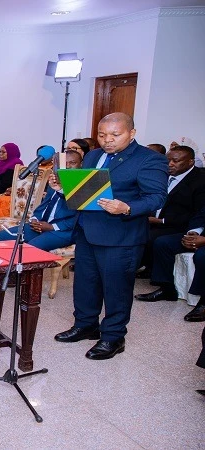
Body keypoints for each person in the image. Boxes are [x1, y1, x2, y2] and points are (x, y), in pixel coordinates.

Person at [54, 113, 167, 360]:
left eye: (115, 135)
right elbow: (85, 191)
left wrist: (126, 207)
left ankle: (113, 337)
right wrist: (64, 190)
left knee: (116, 289)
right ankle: (86, 324)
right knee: (85, 283)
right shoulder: (93, 156)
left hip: (121, 235)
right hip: (87, 229)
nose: (108, 140)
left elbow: (157, 197)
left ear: (132, 133)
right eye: (102, 135)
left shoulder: (149, 159)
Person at [136, 145, 205, 277]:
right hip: (153, 219)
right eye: (168, 160)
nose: (170, 164)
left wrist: (161, 220)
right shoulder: (161, 174)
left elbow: (196, 213)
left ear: (191, 162)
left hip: (178, 225)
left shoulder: (200, 181)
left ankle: (155, 276)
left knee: (150, 237)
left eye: (176, 161)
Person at [0, 150, 82, 251]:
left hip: (63, 230)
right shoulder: (56, 178)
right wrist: (35, 219)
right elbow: (45, 204)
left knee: (30, 249)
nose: (68, 166)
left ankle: (28, 266)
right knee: (1, 237)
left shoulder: (83, 185)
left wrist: (52, 227)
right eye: (65, 163)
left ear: (81, 165)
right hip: (42, 225)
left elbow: (79, 216)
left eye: (72, 163)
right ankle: (8, 266)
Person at [134, 205, 205, 322]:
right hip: (201, 235)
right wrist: (194, 233)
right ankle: (167, 289)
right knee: (163, 243)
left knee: (202, 256)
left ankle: (203, 303)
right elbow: (200, 215)